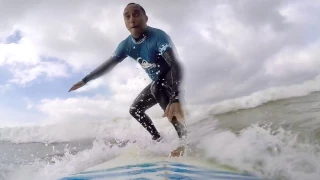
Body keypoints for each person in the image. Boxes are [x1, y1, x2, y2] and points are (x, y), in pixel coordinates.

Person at [68, 3, 187, 153]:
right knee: (135, 109)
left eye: (136, 14)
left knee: (156, 86)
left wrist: (175, 97)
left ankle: (185, 141)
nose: (132, 19)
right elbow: (108, 65)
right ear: (124, 22)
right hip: (157, 82)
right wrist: (85, 80)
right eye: (127, 16)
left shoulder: (158, 36)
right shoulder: (126, 45)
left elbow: (175, 64)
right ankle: (158, 139)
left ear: (146, 18)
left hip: (172, 77)